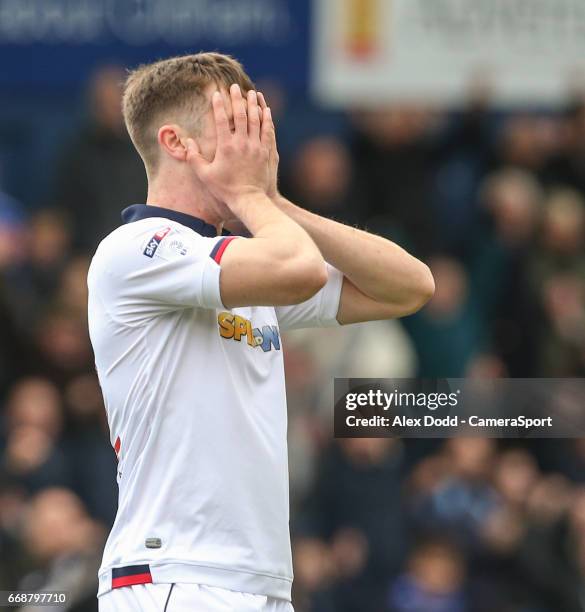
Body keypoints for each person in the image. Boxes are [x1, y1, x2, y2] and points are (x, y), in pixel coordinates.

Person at [87, 52, 434, 612]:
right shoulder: (134, 250)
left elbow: (410, 286)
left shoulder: (247, 263)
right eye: (235, 128)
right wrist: (253, 196)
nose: (258, 149)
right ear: (177, 143)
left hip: (261, 580)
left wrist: (272, 202)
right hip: (174, 576)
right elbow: (295, 270)